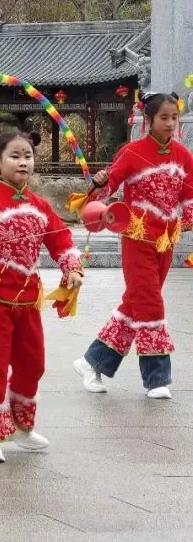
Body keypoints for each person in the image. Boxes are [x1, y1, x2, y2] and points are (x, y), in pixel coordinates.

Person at [0, 131, 84, 463]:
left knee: (33, 364)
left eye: (27, 156)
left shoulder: (40, 206)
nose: (23, 162)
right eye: (15, 156)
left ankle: (20, 425)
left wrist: (71, 268)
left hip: (27, 299)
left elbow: (61, 239)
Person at [73, 92, 193, 400]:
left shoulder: (183, 156)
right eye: (163, 117)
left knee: (135, 303)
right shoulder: (132, 152)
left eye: (174, 117)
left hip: (165, 240)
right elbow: (107, 187)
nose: (170, 123)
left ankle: (92, 362)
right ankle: (156, 378)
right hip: (137, 238)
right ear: (148, 120)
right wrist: (101, 181)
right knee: (150, 303)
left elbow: (188, 196)